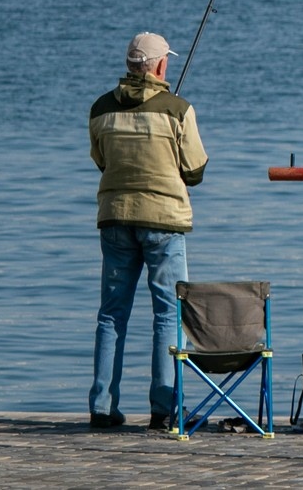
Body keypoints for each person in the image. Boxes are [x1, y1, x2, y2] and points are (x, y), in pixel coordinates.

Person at [87, 32, 209, 431]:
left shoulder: (101, 108)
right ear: (159, 66)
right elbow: (195, 171)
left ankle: (103, 407)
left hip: (115, 220)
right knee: (168, 315)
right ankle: (164, 409)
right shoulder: (178, 110)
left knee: (111, 315)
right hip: (164, 224)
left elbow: (101, 160)